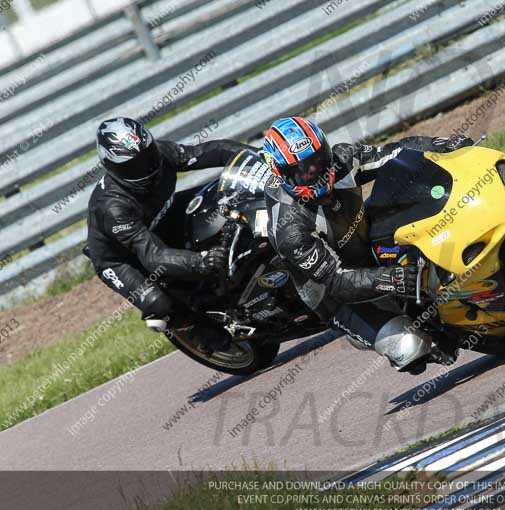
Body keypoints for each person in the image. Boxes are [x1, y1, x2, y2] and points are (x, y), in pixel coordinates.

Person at [261, 116, 472, 372]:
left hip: (364, 241)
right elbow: (337, 282)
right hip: (335, 296)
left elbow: (396, 151)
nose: (313, 172)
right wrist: (390, 279)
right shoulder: (291, 232)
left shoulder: (341, 160)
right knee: (410, 348)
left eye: (317, 160)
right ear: (281, 173)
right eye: (301, 171)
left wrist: (442, 144)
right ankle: (416, 334)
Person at [86, 117, 252, 354]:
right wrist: (201, 261)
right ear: (112, 167)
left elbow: (210, 151)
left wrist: (259, 156)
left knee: (220, 200)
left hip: (161, 216)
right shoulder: (113, 207)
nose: (146, 168)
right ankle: (195, 330)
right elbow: (153, 256)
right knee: (159, 304)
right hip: (123, 259)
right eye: (133, 166)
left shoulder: (162, 155)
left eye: (148, 156)